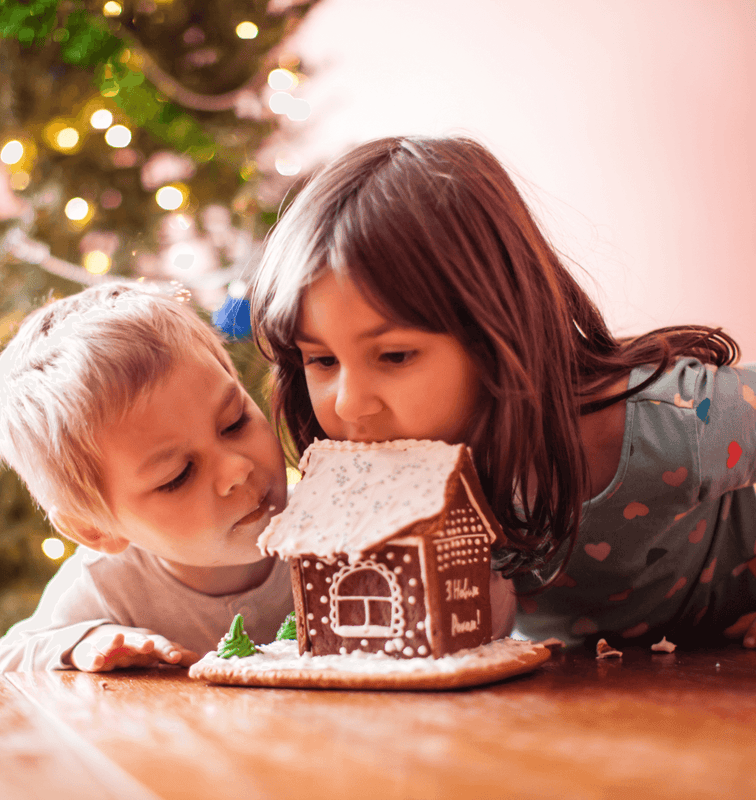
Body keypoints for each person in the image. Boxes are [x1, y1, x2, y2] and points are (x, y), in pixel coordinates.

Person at [250, 134, 756, 649]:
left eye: (395, 356)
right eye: (322, 360)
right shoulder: (398, 494)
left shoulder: (667, 423)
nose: (349, 404)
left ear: (496, 334)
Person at [0, 281, 292, 673]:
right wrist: (81, 642)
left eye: (234, 422)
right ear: (94, 528)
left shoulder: (336, 518)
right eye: (178, 475)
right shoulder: (108, 584)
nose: (237, 469)